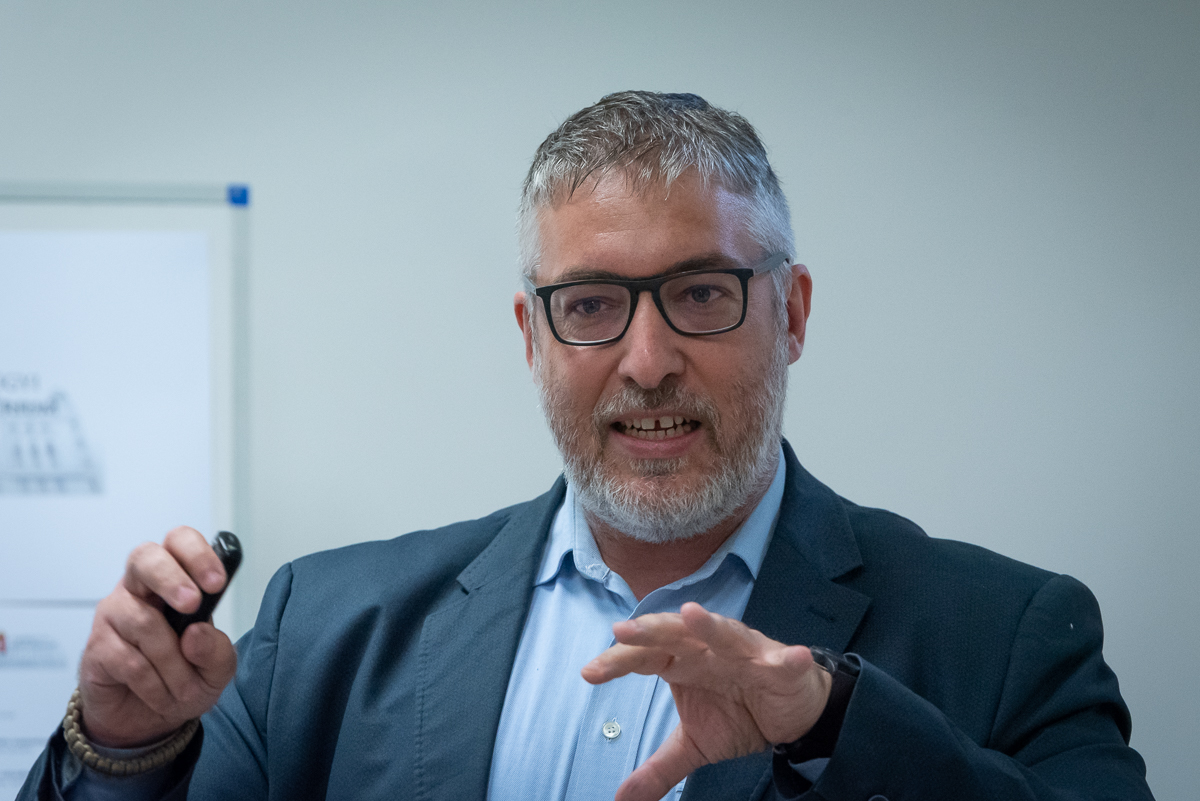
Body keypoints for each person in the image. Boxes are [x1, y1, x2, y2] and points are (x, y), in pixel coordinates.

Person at [21, 91, 1153, 801]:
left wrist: (832, 725)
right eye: (593, 305)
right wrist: (123, 746)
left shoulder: (1006, 635)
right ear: (533, 336)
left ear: (793, 314)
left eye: (701, 293)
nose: (647, 361)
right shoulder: (325, 628)